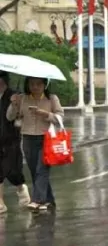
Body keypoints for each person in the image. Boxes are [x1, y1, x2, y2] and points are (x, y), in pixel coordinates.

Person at [7, 77, 63, 213]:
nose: (35, 87)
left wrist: (46, 114)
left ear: (45, 85)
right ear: (27, 85)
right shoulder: (22, 98)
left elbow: (60, 117)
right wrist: (14, 104)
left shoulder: (52, 98)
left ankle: (37, 200)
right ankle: (49, 200)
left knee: (41, 170)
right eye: (32, 84)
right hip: (27, 139)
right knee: (34, 171)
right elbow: (10, 117)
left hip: (46, 138)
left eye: (38, 84)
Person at [0, 73, 32, 212]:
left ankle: (21, 187)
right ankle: (0, 203)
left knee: (13, 171)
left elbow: (11, 117)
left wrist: (15, 104)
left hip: (10, 139)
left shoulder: (14, 95)